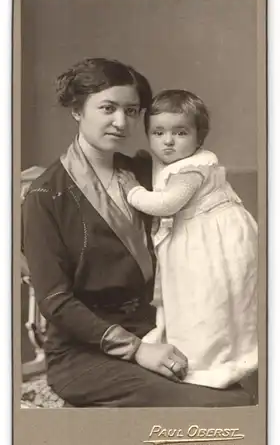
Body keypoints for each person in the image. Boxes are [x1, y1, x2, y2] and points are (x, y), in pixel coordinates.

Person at [22, 60, 253, 407]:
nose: (121, 122)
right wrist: (136, 349)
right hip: (86, 353)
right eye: (107, 108)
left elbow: (208, 203)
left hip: (162, 328)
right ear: (76, 110)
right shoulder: (46, 196)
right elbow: (56, 301)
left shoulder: (147, 173)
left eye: (131, 111)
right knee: (225, 407)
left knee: (245, 391)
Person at [119, 89, 258, 396]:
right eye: (158, 132)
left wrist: (132, 192)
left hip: (212, 241)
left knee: (208, 301)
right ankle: (200, 353)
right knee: (195, 300)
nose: (168, 141)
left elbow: (167, 203)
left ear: (199, 137)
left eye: (180, 132)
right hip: (199, 237)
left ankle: (213, 362)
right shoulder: (172, 160)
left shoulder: (192, 168)